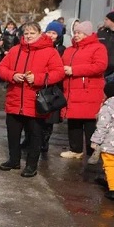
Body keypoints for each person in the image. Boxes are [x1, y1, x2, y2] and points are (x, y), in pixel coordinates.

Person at [0, 21, 65, 177]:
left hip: (35, 101)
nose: (28, 36)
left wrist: (38, 78)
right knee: (13, 133)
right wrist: (12, 75)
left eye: (32, 33)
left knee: (35, 134)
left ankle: (31, 165)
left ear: (40, 33)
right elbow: (1, 68)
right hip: (15, 99)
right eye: (26, 33)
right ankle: (13, 160)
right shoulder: (15, 50)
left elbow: (58, 73)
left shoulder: (50, 52)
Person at [60, 21, 108, 159]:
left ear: (87, 34)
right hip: (71, 90)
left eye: (79, 33)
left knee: (89, 122)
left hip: (88, 90)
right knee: (73, 121)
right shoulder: (70, 50)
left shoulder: (98, 48)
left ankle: (92, 151)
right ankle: (75, 149)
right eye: (75, 32)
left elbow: (100, 66)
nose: (76, 35)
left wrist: (74, 70)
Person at [37, 20, 67, 157]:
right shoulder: (40, 46)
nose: (51, 35)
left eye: (54, 33)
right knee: (35, 114)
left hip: (53, 86)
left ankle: (44, 141)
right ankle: (31, 139)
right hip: (39, 82)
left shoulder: (61, 50)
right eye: (49, 32)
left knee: (49, 116)